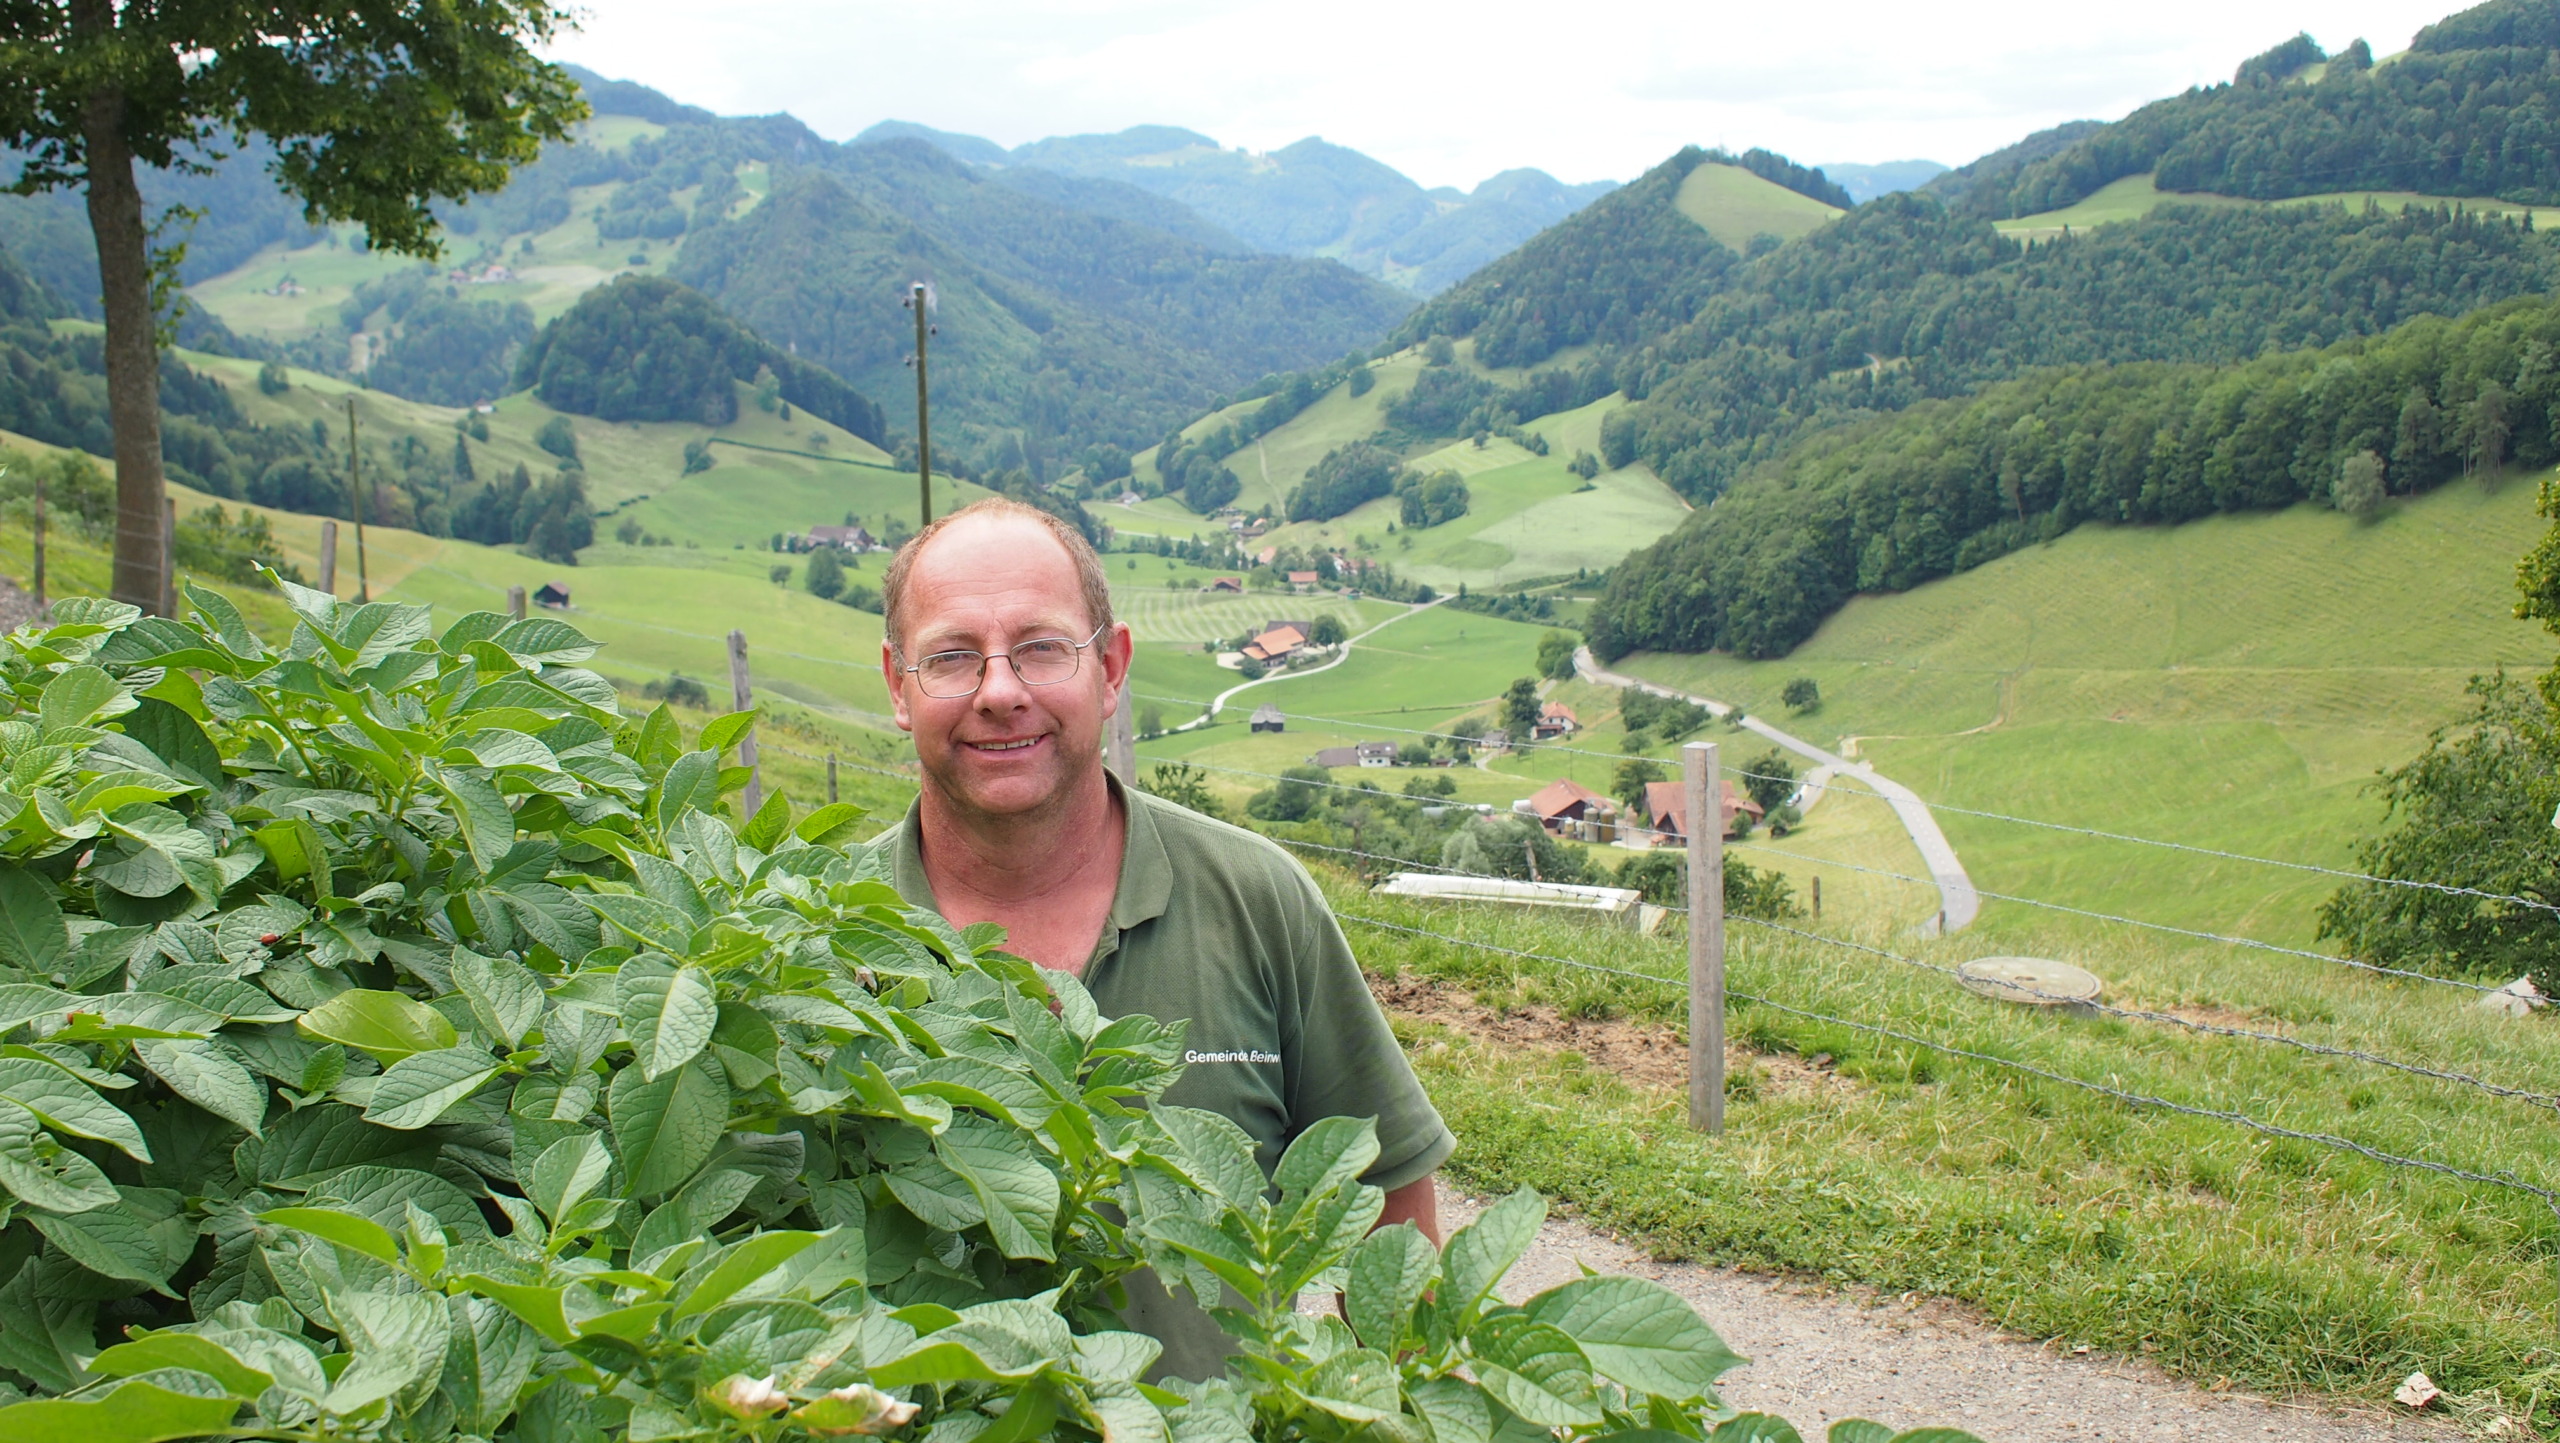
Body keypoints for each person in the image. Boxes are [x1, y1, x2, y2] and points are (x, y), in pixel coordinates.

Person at [872, 498, 1453, 1380]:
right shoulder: (827, 938)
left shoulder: (1259, 903)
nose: (1000, 691)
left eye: (1041, 647)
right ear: (895, 683)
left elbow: (1393, 1220)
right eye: (952, 656)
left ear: (1111, 667)